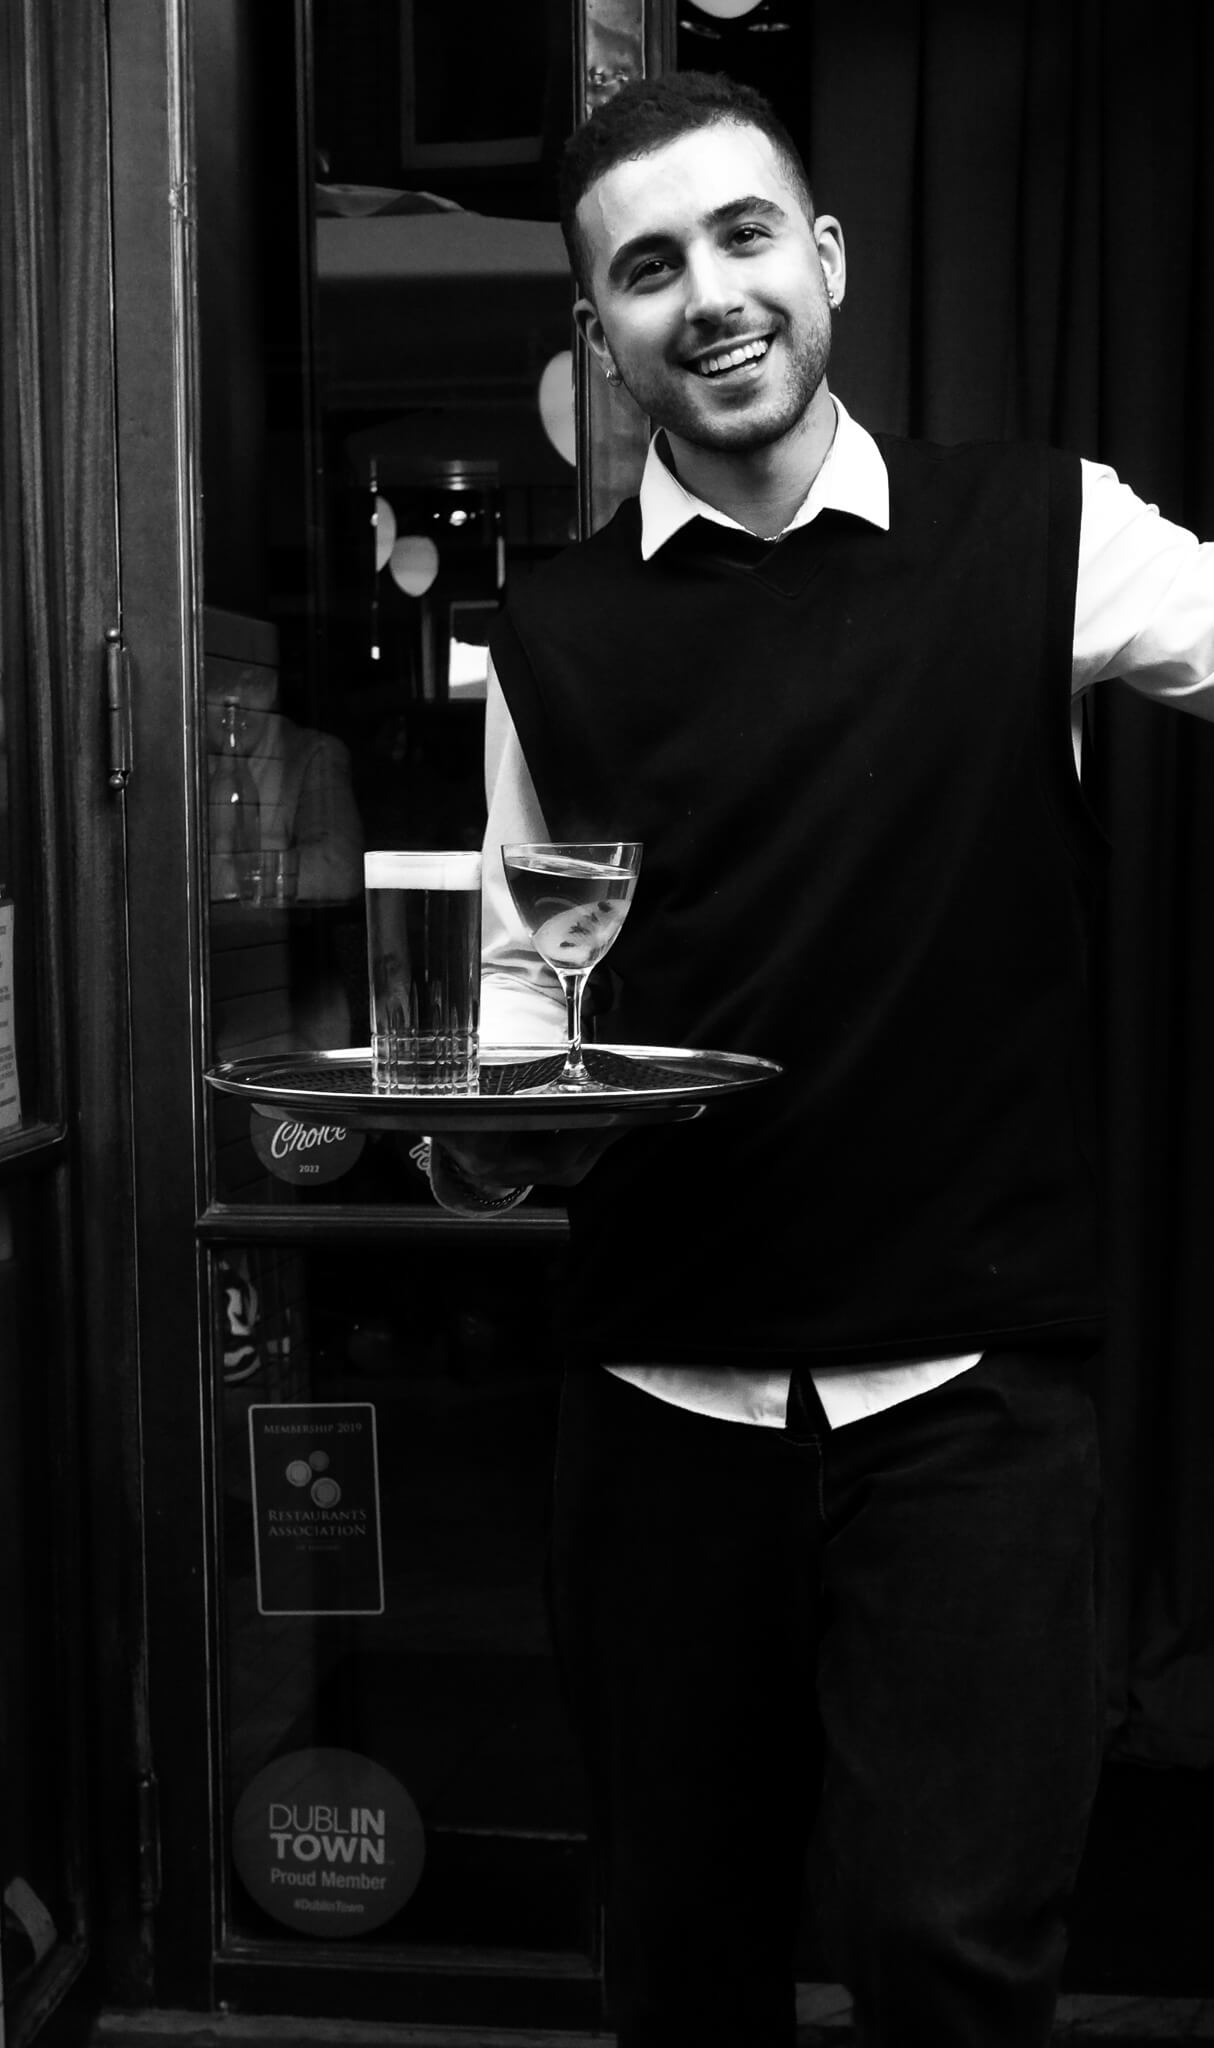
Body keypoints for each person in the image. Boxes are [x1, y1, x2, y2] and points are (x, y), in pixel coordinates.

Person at [428, 70, 1214, 2048]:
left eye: (742, 234)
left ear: (827, 261)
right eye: (645, 268)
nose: (705, 293)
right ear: (596, 336)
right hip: (658, 1402)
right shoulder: (551, 634)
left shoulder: (1043, 529)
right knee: (682, 1973)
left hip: (963, 1405)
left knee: (954, 1966)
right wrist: (475, 1137)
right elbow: (527, 1017)